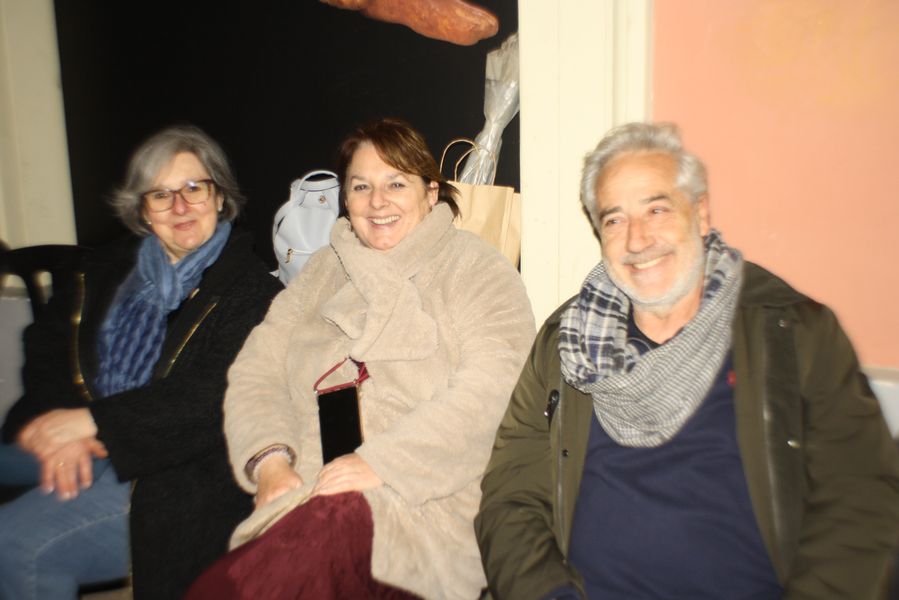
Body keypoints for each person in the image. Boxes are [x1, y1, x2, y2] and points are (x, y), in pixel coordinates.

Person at [475, 122, 899, 599]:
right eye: (615, 220)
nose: (637, 240)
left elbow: (862, 503)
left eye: (657, 209)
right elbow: (509, 498)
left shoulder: (794, 334)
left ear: (699, 214)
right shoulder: (564, 343)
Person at [185, 118, 535, 600]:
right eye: (361, 186)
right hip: (310, 486)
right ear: (345, 200)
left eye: (396, 183)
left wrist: (382, 464)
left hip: (419, 499)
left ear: (431, 193)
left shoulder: (477, 268)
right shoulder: (322, 272)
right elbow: (256, 370)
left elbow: (494, 390)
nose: (377, 201)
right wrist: (269, 460)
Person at [0, 125, 283, 600]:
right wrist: (49, 424)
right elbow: (47, 348)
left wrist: (93, 423)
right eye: (161, 194)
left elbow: (212, 398)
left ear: (220, 197)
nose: (180, 206)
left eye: (194, 188)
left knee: (16, 545)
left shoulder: (254, 293)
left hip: (176, 477)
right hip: (84, 441)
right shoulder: (102, 270)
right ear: (143, 210)